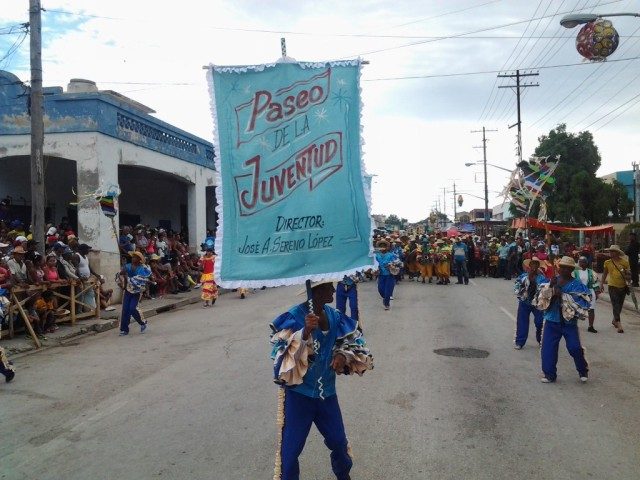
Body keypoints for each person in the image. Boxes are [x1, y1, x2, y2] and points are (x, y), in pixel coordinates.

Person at [269, 281, 373, 480]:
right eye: (328, 287)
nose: (334, 290)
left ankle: (344, 475)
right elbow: (279, 357)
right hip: (299, 396)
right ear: (314, 291)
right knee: (290, 451)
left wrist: (342, 355)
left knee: (338, 442)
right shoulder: (293, 317)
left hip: (327, 394)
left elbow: (353, 342)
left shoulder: (334, 316)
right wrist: (304, 332)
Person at [535, 256, 591, 383]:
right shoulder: (553, 281)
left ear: (571, 269)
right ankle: (549, 374)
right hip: (551, 320)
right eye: (562, 267)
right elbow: (542, 300)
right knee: (548, 349)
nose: (563, 270)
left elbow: (580, 304)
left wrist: (563, 295)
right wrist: (551, 289)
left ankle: (583, 369)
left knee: (574, 348)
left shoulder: (577, 285)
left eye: (567, 268)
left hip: (569, 323)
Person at [513, 257, 547, 349]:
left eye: (536, 264)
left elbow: (546, 290)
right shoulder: (523, 276)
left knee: (540, 322)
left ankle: (541, 340)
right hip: (525, 302)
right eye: (532, 264)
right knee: (522, 322)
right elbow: (516, 288)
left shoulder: (542, 278)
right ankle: (520, 342)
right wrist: (528, 278)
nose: (534, 266)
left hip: (537, 304)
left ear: (538, 266)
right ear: (529, 265)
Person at [118, 251, 151, 336]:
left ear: (139, 259)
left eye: (136, 257)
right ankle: (124, 329)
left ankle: (143, 323)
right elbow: (122, 275)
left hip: (136, 291)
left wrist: (129, 278)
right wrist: (123, 274)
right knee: (125, 309)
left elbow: (140, 280)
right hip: (128, 290)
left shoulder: (142, 268)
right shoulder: (127, 266)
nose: (133, 258)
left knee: (132, 308)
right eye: (133, 257)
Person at [601, 245, 630, 334]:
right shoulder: (607, 262)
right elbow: (605, 273)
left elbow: (629, 275)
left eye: (613, 251)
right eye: (610, 251)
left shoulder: (624, 262)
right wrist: (601, 283)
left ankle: (614, 320)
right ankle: (619, 324)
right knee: (615, 304)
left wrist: (627, 275)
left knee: (620, 305)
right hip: (612, 286)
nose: (611, 253)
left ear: (617, 253)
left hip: (623, 286)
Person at [573, 256, 601, 333]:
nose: (581, 263)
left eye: (583, 262)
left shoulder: (591, 272)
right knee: (575, 309)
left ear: (586, 263)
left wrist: (597, 292)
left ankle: (590, 326)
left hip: (590, 292)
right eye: (580, 261)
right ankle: (573, 325)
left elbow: (595, 283)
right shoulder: (575, 272)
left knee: (591, 309)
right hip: (578, 292)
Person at [375, 240, 397, 310]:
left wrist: (391, 266)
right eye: (381, 246)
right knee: (380, 290)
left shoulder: (391, 255)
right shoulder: (376, 255)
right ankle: (385, 298)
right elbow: (373, 264)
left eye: (384, 246)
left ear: (387, 247)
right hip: (381, 275)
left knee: (388, 291)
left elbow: (397, 263)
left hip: (389, 275)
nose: (382, 248)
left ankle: (387, 304)